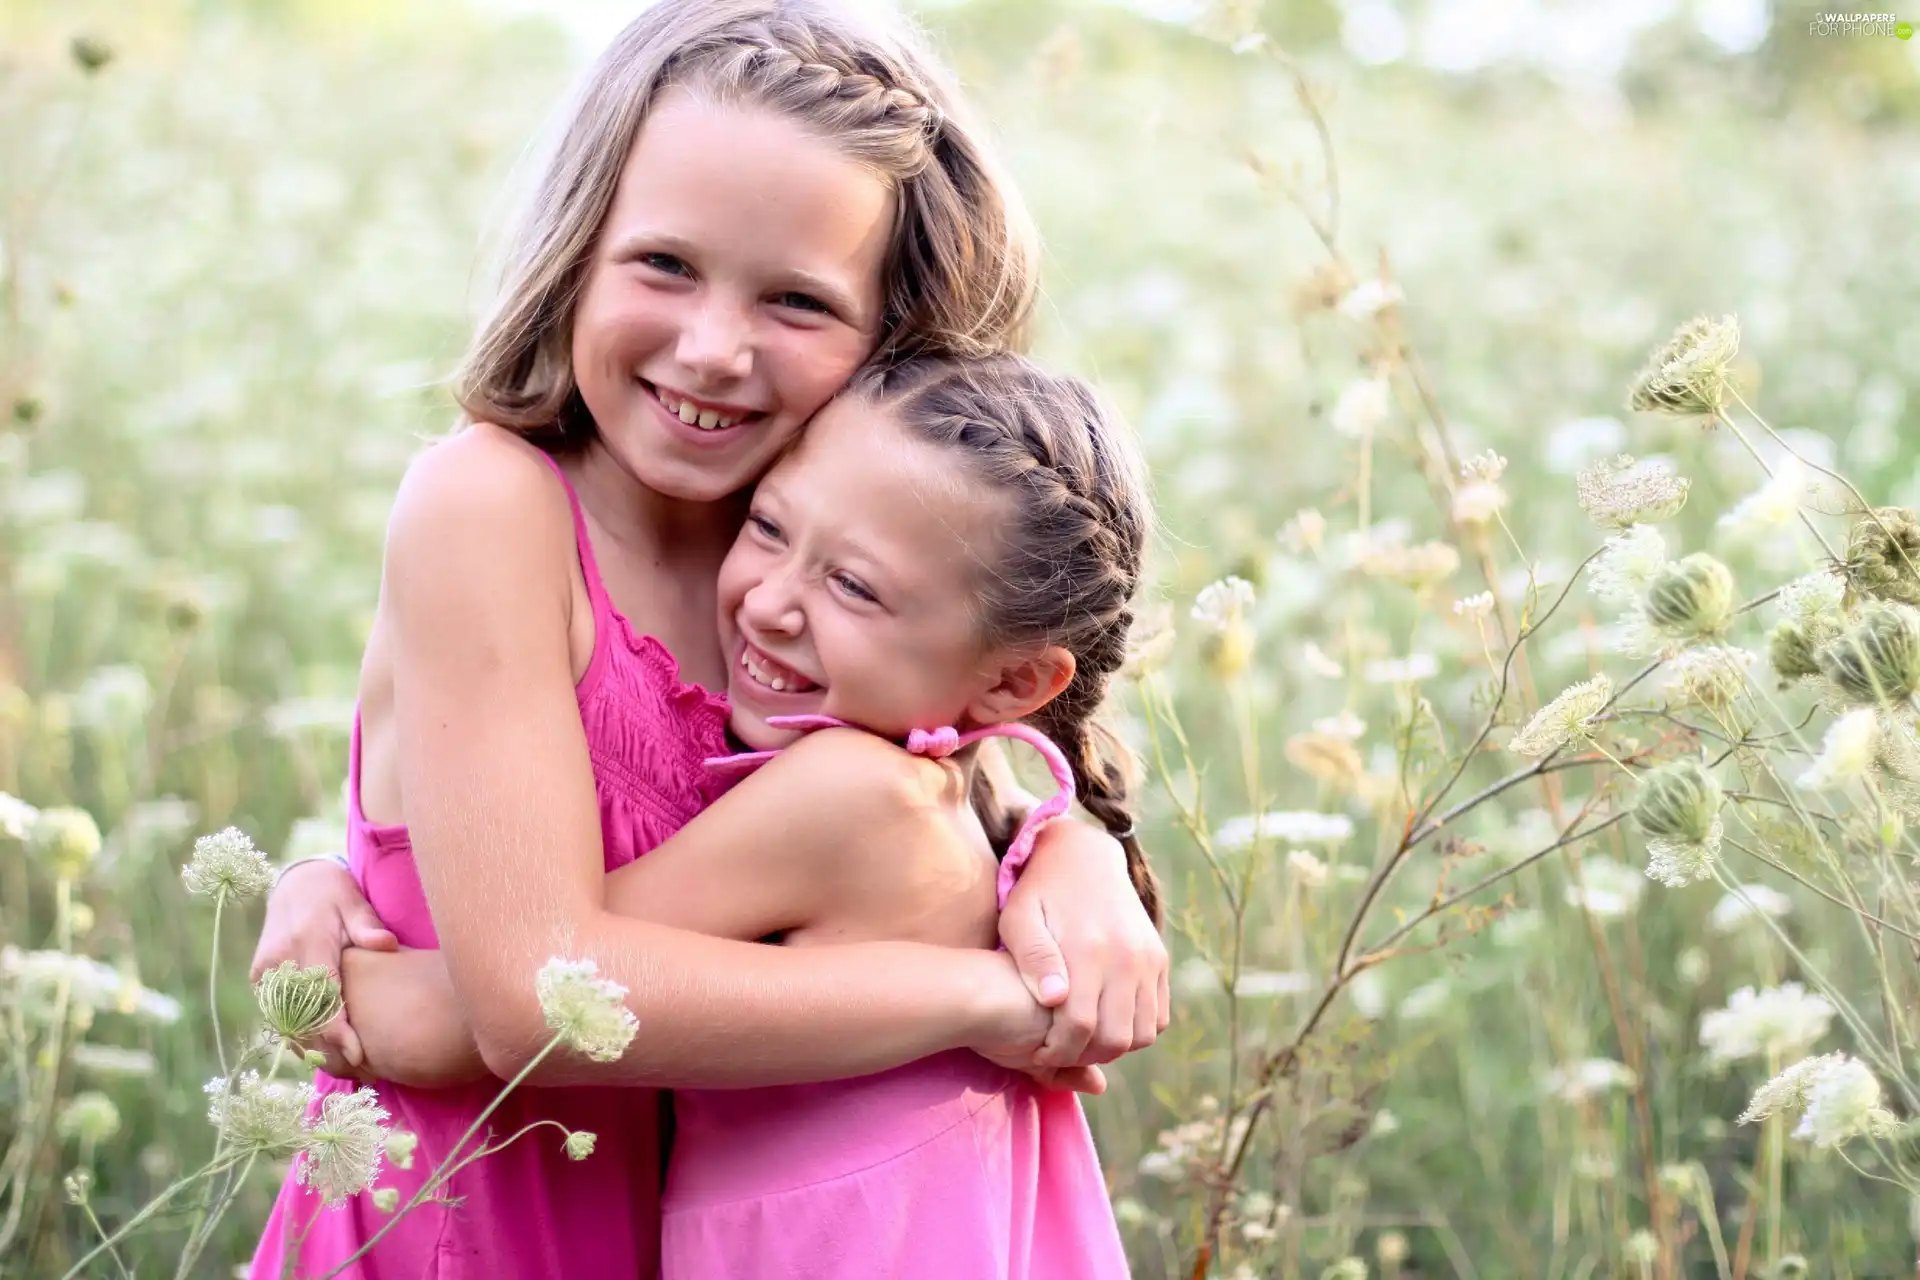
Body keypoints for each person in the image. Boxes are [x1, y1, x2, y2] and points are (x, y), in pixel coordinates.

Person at [247, 4, 1167, 1277]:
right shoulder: (494, 505)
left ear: (893, 338)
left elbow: (934, 795)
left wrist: (1072, 853)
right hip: (460, 1230)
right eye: (664, 265)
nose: (715, 348)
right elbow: (528, 999)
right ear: (578, 249)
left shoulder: (815, 572)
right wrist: (986, 1000)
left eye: (796, 299)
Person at [347, 353, 1155, 1279]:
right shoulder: (941, 797)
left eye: (854, 587)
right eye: (766, 526)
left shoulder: (848, 795)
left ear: (1015, 683)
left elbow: (469, 1016)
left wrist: (320, 961)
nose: (768, 604)